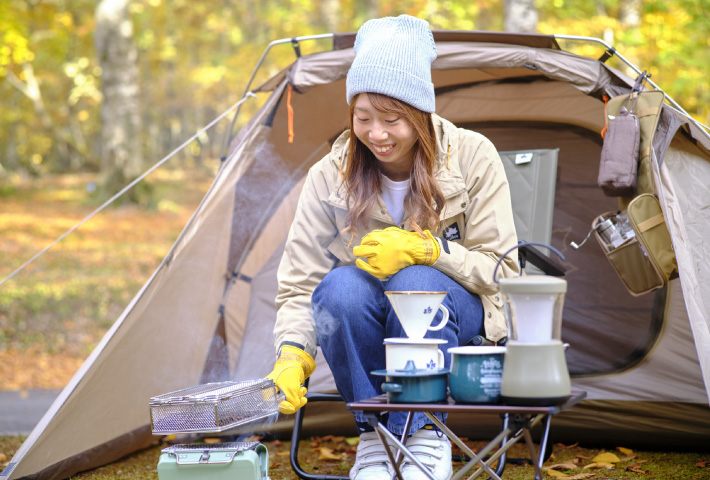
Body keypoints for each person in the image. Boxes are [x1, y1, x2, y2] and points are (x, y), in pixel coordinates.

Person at [267, 14, 519, 480]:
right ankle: (377, 437)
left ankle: (422, 432)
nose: (376, 134)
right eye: (364, 118)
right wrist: (291, 351)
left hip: (456, 321)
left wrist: (430, 252)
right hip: (366, 321)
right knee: (338, 288)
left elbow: (503, 271)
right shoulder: (330, 174)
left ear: (420, 114)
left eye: (391, 119)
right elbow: (301, 284)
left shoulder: (471, 154)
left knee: (416, 281)